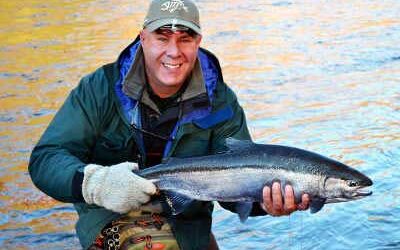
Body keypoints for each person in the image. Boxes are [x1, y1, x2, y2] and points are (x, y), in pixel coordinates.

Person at [28, 0, 310, 249]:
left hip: (186, 225)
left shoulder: (221, 101)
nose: (174, 52)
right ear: (142, 38)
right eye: (162, 38)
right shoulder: (99, 89)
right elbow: (45, 160)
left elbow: (234, 191)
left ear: (198, 41)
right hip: (109, 216)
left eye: (185, 39)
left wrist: (267, 203)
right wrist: (96, 184)